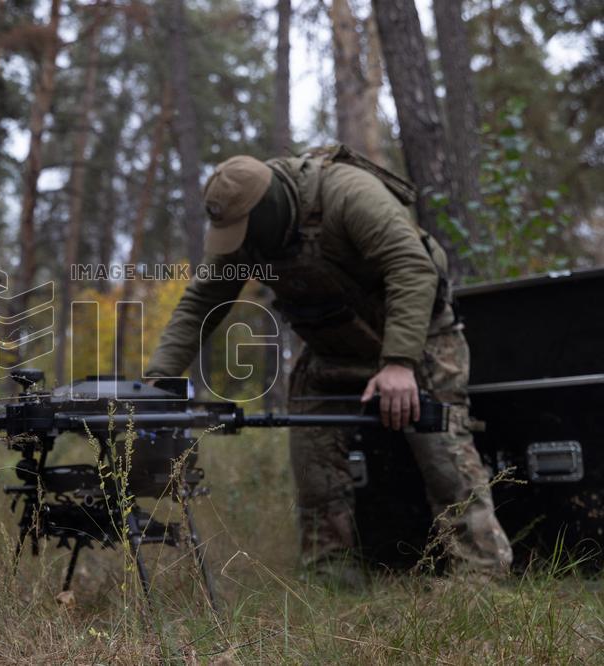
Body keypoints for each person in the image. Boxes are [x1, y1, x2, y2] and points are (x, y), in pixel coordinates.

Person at [145, 147, 513, 580]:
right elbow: (198, 305)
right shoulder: (245, 235)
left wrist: (397, 363)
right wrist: (158, 382)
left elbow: (412, 268)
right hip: (332, 350)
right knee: (313, 463)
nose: (238, 244)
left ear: (271, 209)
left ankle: (482, 573)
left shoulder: (348, 194)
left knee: (443, 457)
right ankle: (330, 574)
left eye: (245, 231)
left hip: (418, 340)